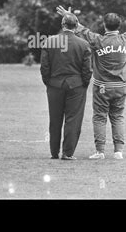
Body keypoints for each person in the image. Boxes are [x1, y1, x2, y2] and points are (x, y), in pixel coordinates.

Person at [56, 5, 126, 160]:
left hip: (102, 88)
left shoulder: (97, 40)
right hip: (121, 87)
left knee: (100, 117)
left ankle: (100, 152)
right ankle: (118, 151)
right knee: (118, 117)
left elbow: (81, 30)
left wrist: (69, 16)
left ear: (104, 25)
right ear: (119, 26)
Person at [40, 13, 92, 160]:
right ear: (76, 27)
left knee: (54, 119)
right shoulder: (83, 44)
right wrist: (83, 84)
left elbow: (44, 67)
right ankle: (68, 153)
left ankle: (54, 152)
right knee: (73, 119)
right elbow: (87, 70)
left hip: (55, 85)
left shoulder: (50, 42)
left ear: (62, 25)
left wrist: (49, 82)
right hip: (76, 85)